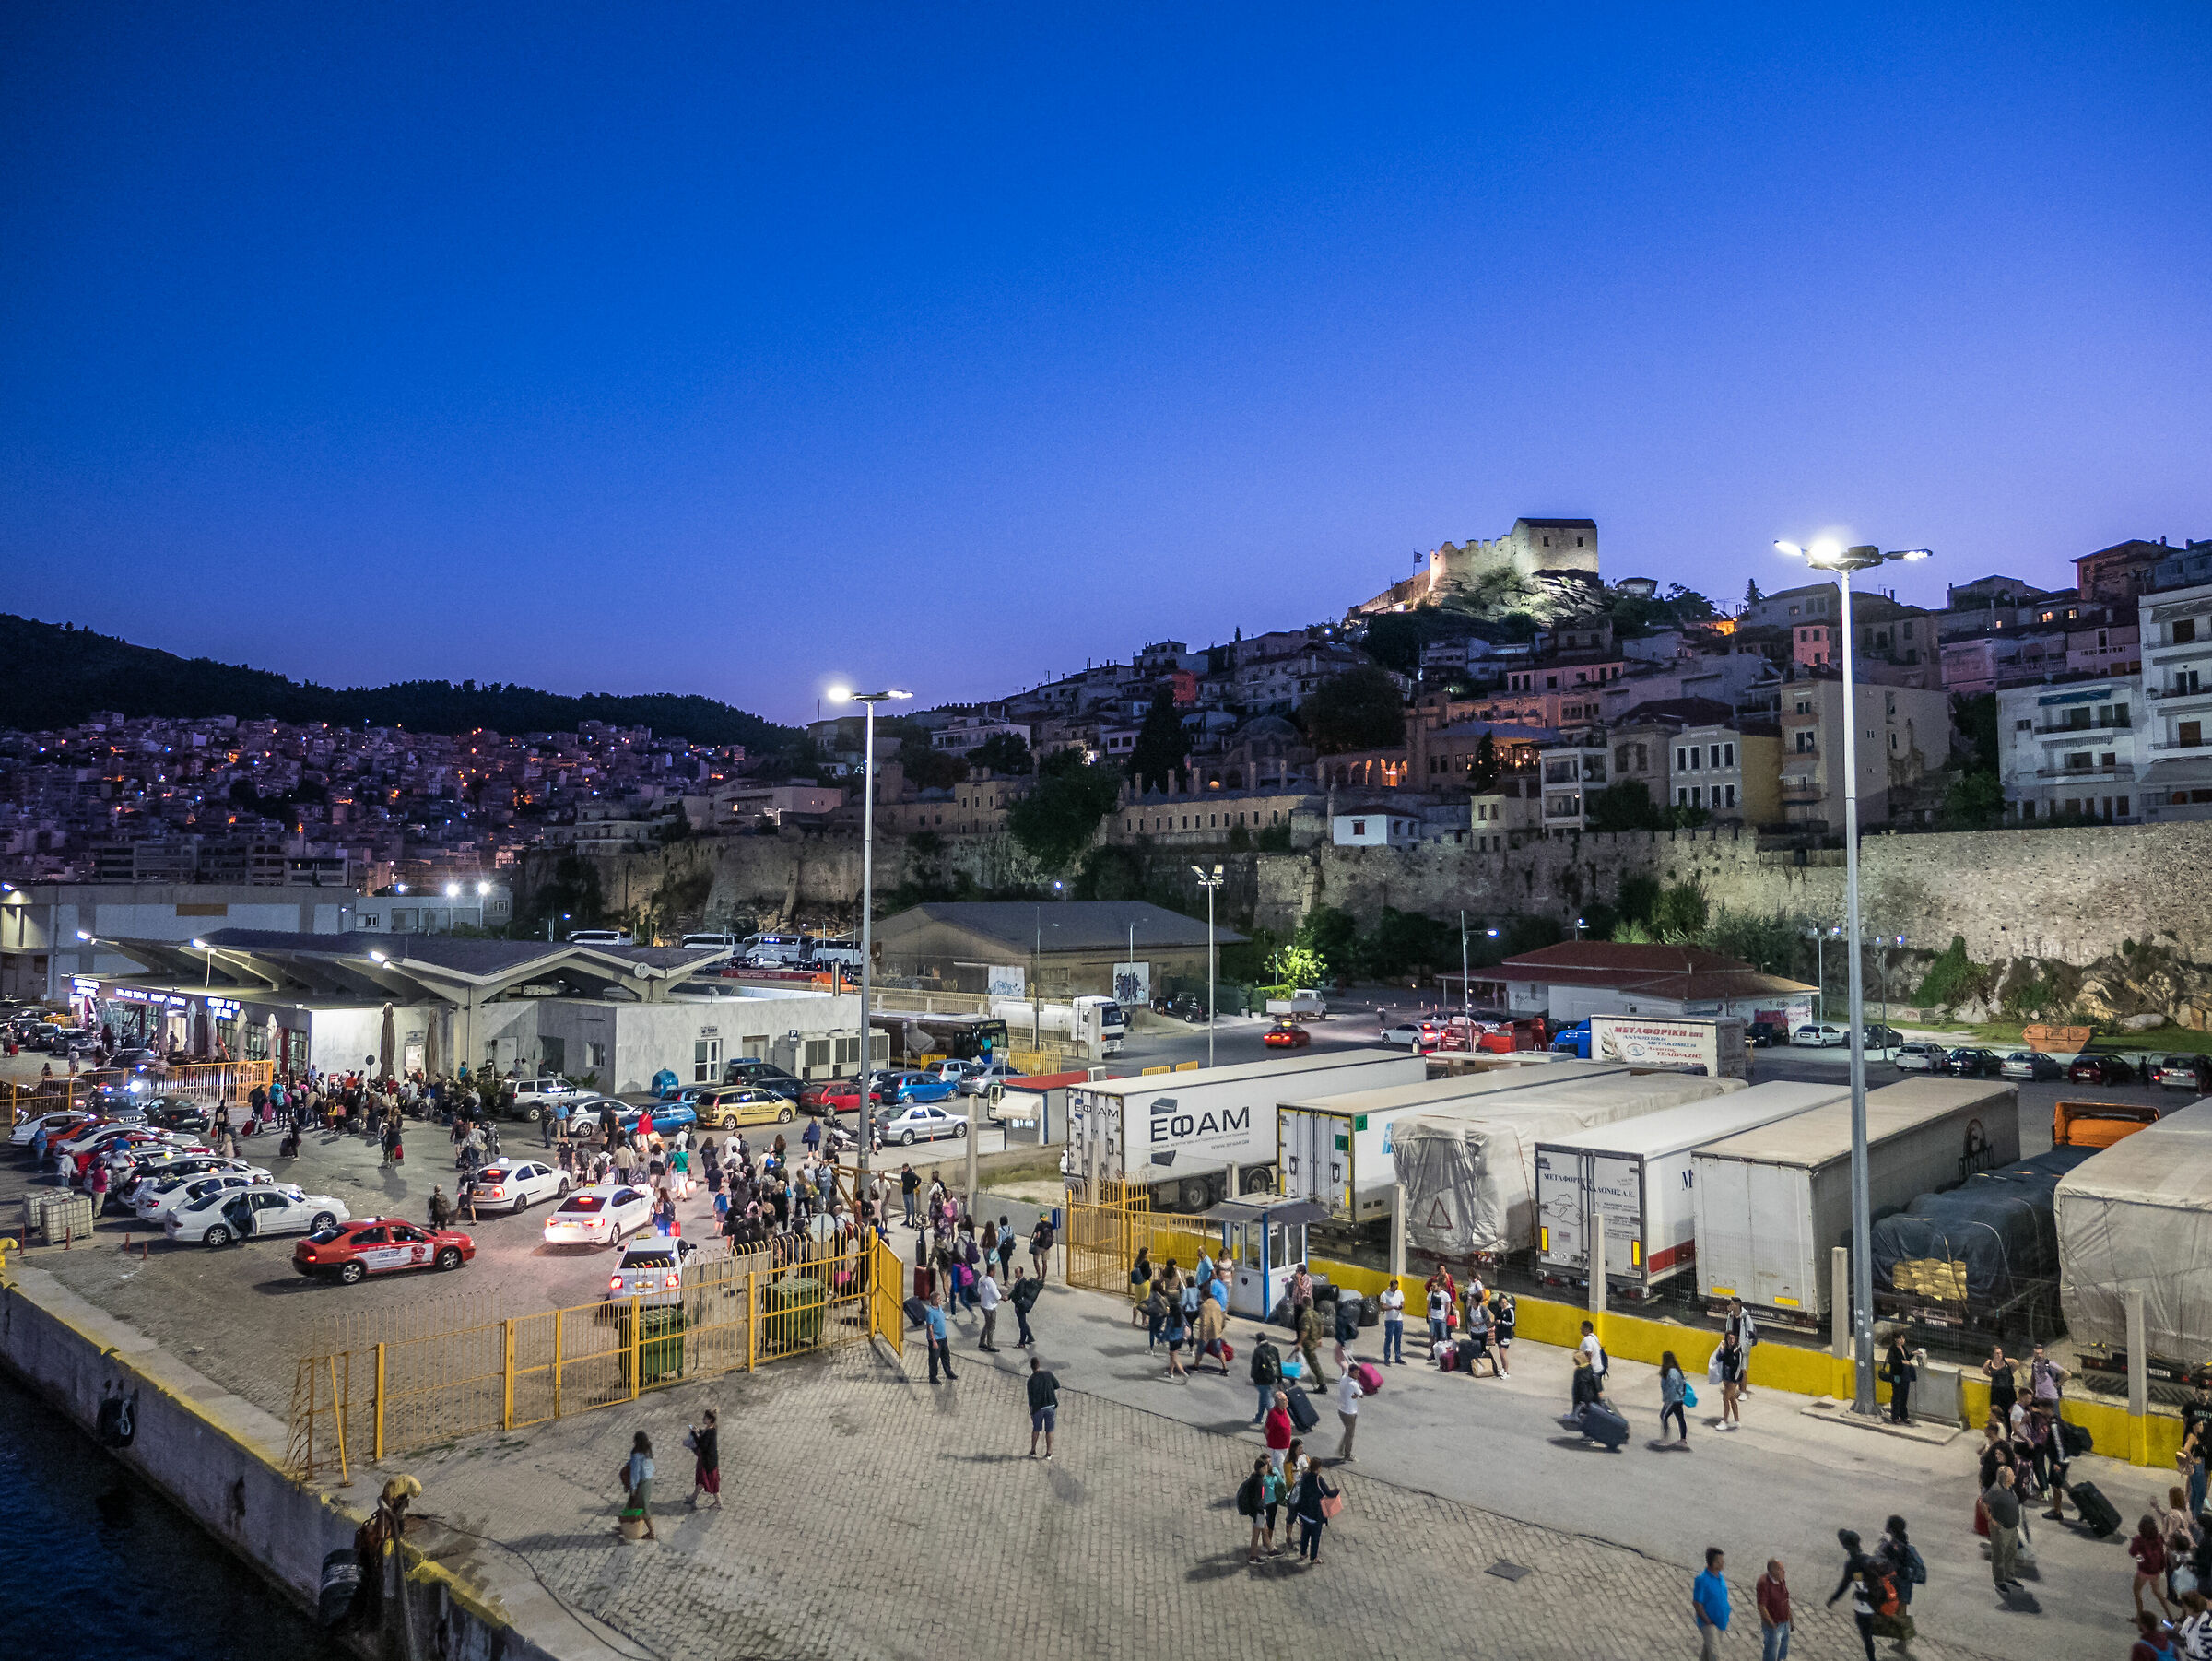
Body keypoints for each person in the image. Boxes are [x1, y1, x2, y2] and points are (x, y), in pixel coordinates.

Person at [1826, 1529, 1886, 1661]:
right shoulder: (1868, 1559)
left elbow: (1844, 1585)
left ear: (1846, 1546)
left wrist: (1832, 1599)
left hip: (1862, 1605)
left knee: (1866, 1635)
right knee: (1868, 1630)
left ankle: (1872, 1659)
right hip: (1874, 1600)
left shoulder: (1851, 1564)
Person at [1877, 1515, 1924, 1648]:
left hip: (1897, 1583)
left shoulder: (1893, 1545)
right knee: (1901, 1611)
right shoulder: (1904, 1541)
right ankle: (1902, 1642)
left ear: (1891, 1528)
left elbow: (1884, 1562)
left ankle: (1904, 1638)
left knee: (1895, 1613)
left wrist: (1882, 1545)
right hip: (1906, 1583)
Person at [1982, 1466, 2025, 1595]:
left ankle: (2009, 1577)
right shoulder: (1996, 1490)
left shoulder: (2009, 1487)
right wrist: (1990, 1518)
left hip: (2012, 1528)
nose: (2014, 1476)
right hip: (2001, 1529)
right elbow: (1983, 1502)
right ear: (2006, 1478)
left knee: (2010, 1553)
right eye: (2012, 1474)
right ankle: (1999, 1582)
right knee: (1999, 1556)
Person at [1288, 1456, 1338, 1565]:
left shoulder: (1304, 1475)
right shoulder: (1318, 1479)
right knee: (1315, 1537)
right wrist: (1337, 1490)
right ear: (1319, 1468)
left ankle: (1303, 1553)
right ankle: (1313, 1557)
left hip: (1303, 1511)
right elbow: (1329, 1493)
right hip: (1315, 1514)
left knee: (1305, 1534)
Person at [1237, 1454, 1284, 1562]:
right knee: (1256, 1534)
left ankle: (1271, 1549)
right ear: (1259, 1469)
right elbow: (1257, 1500)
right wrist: (1262, 1510)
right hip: (1258, 1512)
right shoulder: (1258, 1482)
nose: (1266, 1469)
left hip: (1258, 1511)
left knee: (1264, 1529)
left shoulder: (1255, 1477)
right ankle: (1253, 1556)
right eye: (1264, 1468)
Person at [2136, 1514, 2182, 1621]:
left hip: (2144, 1570)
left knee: (2137, 1591)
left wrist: (2139, 1558)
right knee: (2157, 1592)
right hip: (2155, 1571)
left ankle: (2139, 1615)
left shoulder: (2140, 1540)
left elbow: (2137, 1555)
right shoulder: (2159, 1538)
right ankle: (2169, 1615)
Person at [1694, 1546, 1732, 1661]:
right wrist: (1707, 1621)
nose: (1723, 1563)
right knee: (1716, 1656)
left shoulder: (1720, 1576)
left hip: (1721, 1622)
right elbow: (1697, 1603)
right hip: (1708, 1624)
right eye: (1720, 1561)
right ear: (1713, 1563)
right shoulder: (1702, 1580)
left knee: (1707, 1653)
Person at [2182, 1381, 2212, 1521]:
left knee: (2207, 1472)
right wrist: (2186, 1443)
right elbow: (2185, 1424)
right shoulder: (2190, 1406)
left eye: (2207, 1394)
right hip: (2195, 1445)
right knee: (2192, 1472)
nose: (2204, 1397)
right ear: (2196, 1392)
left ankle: (2203, 1497)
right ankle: (2187, 1498)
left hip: (2209, 1445)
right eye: (2202, 1394)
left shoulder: (2211, 1407)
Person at [619, 1431, 657, 1541]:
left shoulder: (636, 1455)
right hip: (648, 1481)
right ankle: (625, 1525)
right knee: (631, 1504)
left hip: (641, 1484)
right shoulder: (648, 1450)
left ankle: (652, 1533)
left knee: (643, 1508)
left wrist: (633, 1488)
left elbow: (635, 1473)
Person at [1757, 1559, 1792, 1661]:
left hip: (1785, 1623)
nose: (1784, 1572)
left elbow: (1785, 1599)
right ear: (1773, 1571)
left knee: (1783, 1650)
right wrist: (1772, 1624)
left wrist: (1791, 1620)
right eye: (1781, 1570)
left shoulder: (1781, 1580)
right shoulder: (1764, 1583)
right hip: (1774, 1626)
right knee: (1770, 1654)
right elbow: (1761, 1606)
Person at [1027, 1354, 1060, 1459]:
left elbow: (1030, 1399)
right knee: (1049, 1430)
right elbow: (1057, 1385)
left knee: (1036, 1429)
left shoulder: (1031, 1380)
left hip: (1038, 1408)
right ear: (1039, 1365)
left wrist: (1031, 1412)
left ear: (1031, 1367)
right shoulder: (1048, 1374)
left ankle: (1033, 1450)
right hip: (1050, 1405)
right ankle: (1049, 1452)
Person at [687, 1409, 721, 1510]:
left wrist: (694, 1434)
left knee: (710, 1481)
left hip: (708, 1463)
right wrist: (699, 1431)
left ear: (710, 1420)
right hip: (707, 1461)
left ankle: (718, 1501)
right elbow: (704, 1435)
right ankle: (694, 1497)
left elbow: (702, 1445)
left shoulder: (710, 1432)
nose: (703, 1419)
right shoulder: (711, 1429)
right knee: (702, 1480)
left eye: (705, 1418)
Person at [1250, 1331, 1284, 1425]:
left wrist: (1253, 1378)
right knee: (1263, 1397)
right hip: (1272, 1378)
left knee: (1268, 1401)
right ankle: (1258, 1418)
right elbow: (1278, 1364)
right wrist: (1279, 1379)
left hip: (1262, 1379)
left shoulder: (1258, 1351)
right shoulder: (1274, 1349)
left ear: (1257, 1341)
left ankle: (1277, 1421)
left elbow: (1255, 1367)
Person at [1716, 1332, 1747, 1431]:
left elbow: (1736, 1364)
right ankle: (1737, 1420)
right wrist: (1721, 1349)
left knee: (1725, 1398)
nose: (1732, 1340)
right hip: (1726, 1376)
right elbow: (1719, 1358)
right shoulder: (1725, 1348)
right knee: (1732, 1398)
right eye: (1730, 1338)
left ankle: (1724, 1421)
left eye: (1733, 1338)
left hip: (1734, 1378)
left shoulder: (1737, 1350)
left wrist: (1735, 1380)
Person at [1659, 1349, 1690, 1446]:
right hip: (1678, 1399)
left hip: (1673, 1400)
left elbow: (1672, 1387)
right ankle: (1683, 1439)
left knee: (1663, 1416)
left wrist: (1668, 1401)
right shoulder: (1674, 1371)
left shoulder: (1671, 1372)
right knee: (1680, 1418)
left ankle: (1665, 1438)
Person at [924, 1292, 957, 1384]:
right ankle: (933, 1377)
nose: (940, 1300)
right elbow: (930, 1327)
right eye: (938, 1299)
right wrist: (933, 1340)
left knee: (946, 1356)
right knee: (934, 1358)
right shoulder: (930, 1312)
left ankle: (948, 1372)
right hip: (936, 1338)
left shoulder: (939, 1308)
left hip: (943, 1337)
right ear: (933, 1300)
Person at [1297, 1299, 1330, 1388]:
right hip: (1314, 1341)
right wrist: (1319, 1338)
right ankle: (1321, 1382)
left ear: (1303, 1304)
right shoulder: (1315, 1313)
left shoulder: (1305, 1316)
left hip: (1308, 1342)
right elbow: (1321, 1326)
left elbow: (1305, 1330)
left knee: (1313, 1362)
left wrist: (1300, 1342)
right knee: (1312, 1361)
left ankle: (1322, 1383)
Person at [1885, 1333, 1917, 1424]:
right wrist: (1902, 1361)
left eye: (1903, 1338)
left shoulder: (1903, 1348)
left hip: (1905, 1375)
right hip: (1897, 1376)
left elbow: (1907, 1358)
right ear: (1896, 1339)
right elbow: (1891, 1360)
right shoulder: (1893, 1349)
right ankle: (1895, 1416)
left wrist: (1913, 1354)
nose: (1903, 1340)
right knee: (1897, 1395)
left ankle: (1904, 1416)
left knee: (1904, 1396)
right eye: (1901, 1338)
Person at [1983, 1345, 2018, 1426]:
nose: (1999, 1355)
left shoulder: (2007, 1362)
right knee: (1996, 1412)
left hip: (2008, 1391)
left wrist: (2010, 1373)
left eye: (2000, 1353)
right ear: (1993, 1354)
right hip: (1996, 1391)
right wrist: (1992, 1375)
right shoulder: (1990, 1363)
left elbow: (2016, 1363)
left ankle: (2009, 1430)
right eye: (1997, 1353)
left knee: (2009, 1412)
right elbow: (1985, 1371)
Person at [1008, 1265, 1041, 1348]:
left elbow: (1019, 1294)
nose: (1015, 1274)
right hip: (1019, 1306)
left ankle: (1022, 1342)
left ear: (1021, 1273)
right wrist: (1009, 1296)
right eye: (1015, 1272)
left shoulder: (1022, 1282)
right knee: (1023, 1322)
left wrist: (1013, 1300)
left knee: (1022, 1324)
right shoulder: (1019, 1281)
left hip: (1020, 1306)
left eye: (1017, 1273)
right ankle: (1030, 1337)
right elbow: (1014, 1291)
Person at [1335, 1366, 1363, 1462]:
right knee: (1350, 1434)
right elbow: (1361, 1394)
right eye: (1355, 1373)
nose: (1357, 1375)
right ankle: (1347, 1455)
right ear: (1350, 1372)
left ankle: (1341, 1449)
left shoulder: (1343, 1378)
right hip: (1350, 1412)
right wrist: (1357, 1394)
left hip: (1341, 1410)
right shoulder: (1353, 1384)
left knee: (1348, 1431)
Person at [1263, 1392, 1293, 1474]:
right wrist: (1271, 1442)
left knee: (1284, 1468)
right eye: (1285, 1400)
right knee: (1279, 1470)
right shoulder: (1273, 1414)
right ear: (1279, 1402)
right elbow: (1266, 1430)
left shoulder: (1284, 1410)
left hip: (1285, 1446)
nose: (1287, 1400)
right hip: (1276, 1449)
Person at [1378, 1277, 1406, 1365]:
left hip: (1398, 1319)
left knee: (1398, 1340)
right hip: (1390, 1320)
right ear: (1390, 1286)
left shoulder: (1399, 1293)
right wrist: (1393, 1307)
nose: (1395, 1289)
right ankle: (1387, 1358)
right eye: (1394, 1288)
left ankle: (1398, 1357)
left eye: (1396, 1288)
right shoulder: (1384, 1294)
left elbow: (1403, 1303)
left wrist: (1401, 1306)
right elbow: (1383, 1307)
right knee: (1389, 1339)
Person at [1489, 1287, 1514, 1376]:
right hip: (1499, 1333)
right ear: (1499, 1303)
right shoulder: (1499, 1310)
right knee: (1500, 1352)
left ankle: (1506, 1371)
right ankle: (1503, 1369)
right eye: (1502, 1302)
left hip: (1506, 1334)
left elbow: (1512, 1322)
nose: (1504, 1304)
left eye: (1505, 1302)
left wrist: (1502, 1322)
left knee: (1502, 1352)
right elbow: (1496, 1319)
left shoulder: (1510, 1311)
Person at [976, 1264, 1001, 1352]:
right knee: (991, 1326)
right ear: (991, 1271)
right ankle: (990, 1345)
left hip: (983, 1304)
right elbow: (997, 1296)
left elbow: (978, 1291)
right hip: (990, 1307)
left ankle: (982, 1342)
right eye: (994, 1270)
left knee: (987, 1324)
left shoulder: (982, 1278)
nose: (995, 1272)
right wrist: (1004, 1297)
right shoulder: (991, 1283)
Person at [1425, 1275, 1451, 1354]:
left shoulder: (1445, 1295)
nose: (1432, 1288)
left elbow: (1448, 1307)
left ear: (1439, 1286)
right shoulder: (1430, 1294)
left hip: (1441, 1319)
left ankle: (1442, 1353)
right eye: (1432, 1286)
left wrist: (1445, 1317)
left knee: (1443, 1336)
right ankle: (1432, 1353)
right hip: (1433, 1318)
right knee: (1432, 1335)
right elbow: (1428, 1306)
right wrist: (1429, 1315)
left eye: (1434, 1286)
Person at [900, 1163, 920, 1228]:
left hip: (910, 1192)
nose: (904, 1170)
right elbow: (903, 1180)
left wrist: (914, 1186)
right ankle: (907, 1220)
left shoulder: (911, 1174)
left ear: (907, 1168)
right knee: (907, 1207)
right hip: (905, 1192)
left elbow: (919, 1179)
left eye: (905, 1168)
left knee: (911, 1207)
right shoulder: (903, 1173)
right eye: (903, 1169)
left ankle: (913, 1222)